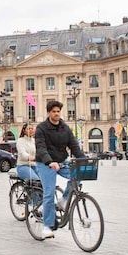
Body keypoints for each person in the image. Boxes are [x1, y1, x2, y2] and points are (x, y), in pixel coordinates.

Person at [34, 100, 86, 239]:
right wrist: (49, 161)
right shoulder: (41, 128)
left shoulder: (65, 128)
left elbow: (74, 146)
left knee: (78, 175)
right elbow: (41, 147)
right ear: (49, 113)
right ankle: (47, 226)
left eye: (58, 111)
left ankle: (63, 200)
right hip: (45, 163)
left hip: (62, 161)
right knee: (49, 194)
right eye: (54, 112)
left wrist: (84, 159)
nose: (57, 114)